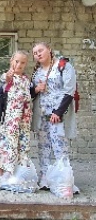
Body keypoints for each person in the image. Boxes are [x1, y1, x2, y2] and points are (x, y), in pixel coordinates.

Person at [31, 42, 79, 192]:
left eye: (41, 50)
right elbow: (32, 93)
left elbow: (69, 91)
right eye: (35, 53)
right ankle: (45, 178)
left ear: (49, 50)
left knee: (60, 147)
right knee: (43, 147)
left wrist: (58, 112)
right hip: (42, 114)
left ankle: (64, 180)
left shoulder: (63, 65)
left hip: (58, 115)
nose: (38, 54)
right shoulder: (37, 71)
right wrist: (36, 89)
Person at [0, 50, 32, 190]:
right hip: (11, 119)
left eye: (22, 62)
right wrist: (8, 76)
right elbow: (5, 79)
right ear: (11, 61)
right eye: (17, 61)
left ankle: (16, 175)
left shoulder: (27, 80)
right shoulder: (8, 76)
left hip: (24, 120)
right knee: (6, 145)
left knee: (22, 145)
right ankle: (0, 176)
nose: (19, 65)